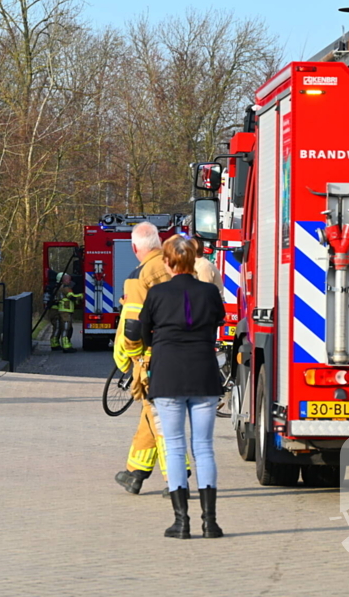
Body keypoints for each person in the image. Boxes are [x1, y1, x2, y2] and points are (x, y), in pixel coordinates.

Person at [140, 235, 226, 539]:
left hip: (168, 376)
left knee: (175, 447)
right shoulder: (209, 292)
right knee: (204, 447)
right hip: (203, 373)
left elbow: (144, 331)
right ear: (193, 260)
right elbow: (219, 320)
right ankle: (210, 523)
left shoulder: (157, 293)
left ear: (167, 261)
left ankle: (182, 522)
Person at [113, 222, 174, 495]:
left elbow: (133, 325)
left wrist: (134, 356)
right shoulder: (174, 266)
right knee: (150, 414)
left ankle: (176, 478)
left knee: (160, 417)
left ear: (135, 247)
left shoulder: (139, 275)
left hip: (150, 357)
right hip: (179, 351)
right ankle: (135, 472)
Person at [53, 274, 82, 353]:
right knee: (66, 328)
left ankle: (66, 344)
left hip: (65, 311)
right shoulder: (65, 288)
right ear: (65, 280)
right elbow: (72, 297)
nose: (70, 281)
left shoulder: (60, 287)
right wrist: (82, 295)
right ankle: (66, 346)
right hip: (65, 311)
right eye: (69, 279)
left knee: (67, 328)